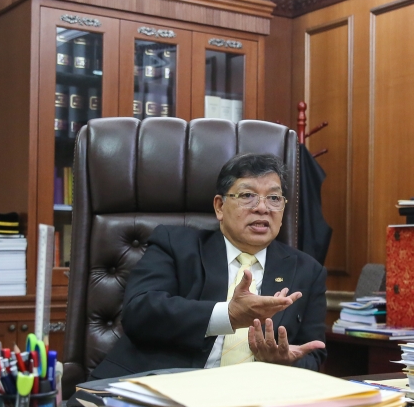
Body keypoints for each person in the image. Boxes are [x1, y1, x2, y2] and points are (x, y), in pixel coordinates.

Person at [91, 153, 328, 379]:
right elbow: (139, 312)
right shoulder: (176, 245)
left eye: (274, 198)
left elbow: (313, 354)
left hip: (255, 402)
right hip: (162, 391)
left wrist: (283, 362)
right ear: (219, 207)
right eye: (247, 195)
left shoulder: (307, 271)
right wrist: (228, 315)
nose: (263, 208)